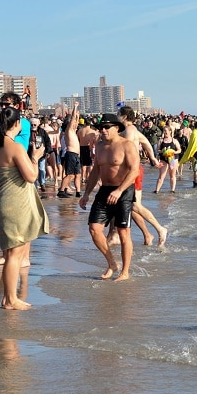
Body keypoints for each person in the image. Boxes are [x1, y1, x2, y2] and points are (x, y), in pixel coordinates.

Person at [0, 107, 49, 309]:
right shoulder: (15, 147)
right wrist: (36, 157)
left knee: (10, 252)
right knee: (14, 254)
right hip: (13, 203)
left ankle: (9, 297)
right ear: (17, 124)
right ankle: (10, 299)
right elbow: (31, 176)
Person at [78, 114, 140, 281]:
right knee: (94, 229)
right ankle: (112, 263)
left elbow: (134, 170)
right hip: (104, 190)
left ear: (117, 128)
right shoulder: (99, 146)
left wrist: (119, 190)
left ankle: (125, 272)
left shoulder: (127, 145)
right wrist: (86, 194)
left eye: (106, 127)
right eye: (101, 128)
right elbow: (95, 171)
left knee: (123, 232)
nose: (103, 130)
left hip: (124, 191)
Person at [116, 106, 168, 246]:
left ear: (124, 116)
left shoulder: (128, 131)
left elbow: (124, 150)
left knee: (134, 205)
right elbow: (146, 142)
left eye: (118, 114)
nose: (117, 116)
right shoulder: (133, 130)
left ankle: (160, 229)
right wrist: (153, 158)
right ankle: (148, 235)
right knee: (130, 205)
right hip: (133, 169)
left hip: (132, 170)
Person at [58, 102, 82, 197]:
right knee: (70, 175)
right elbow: (72, 119)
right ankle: (61, 191)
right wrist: (75, 107)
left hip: (76, 155)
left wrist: (77, 116)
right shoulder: (68, 130)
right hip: (71, 154)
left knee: (77, 175)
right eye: (74, 122)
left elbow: (75, 122)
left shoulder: (74, 131)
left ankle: (78, 192)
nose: (75, 123)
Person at [154, 126, 181, 193]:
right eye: (164, 130)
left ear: (170, 131)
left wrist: (173, 152)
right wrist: (162, 151)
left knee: (172, 175)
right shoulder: (161, 140)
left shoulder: (174, 140)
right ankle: (156, 190)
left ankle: (172, 190)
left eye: (166, 131)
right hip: (163, 159)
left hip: (172, 159)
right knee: (161, 175)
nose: (165, 132)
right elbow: (157, 150)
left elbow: (179, 150)